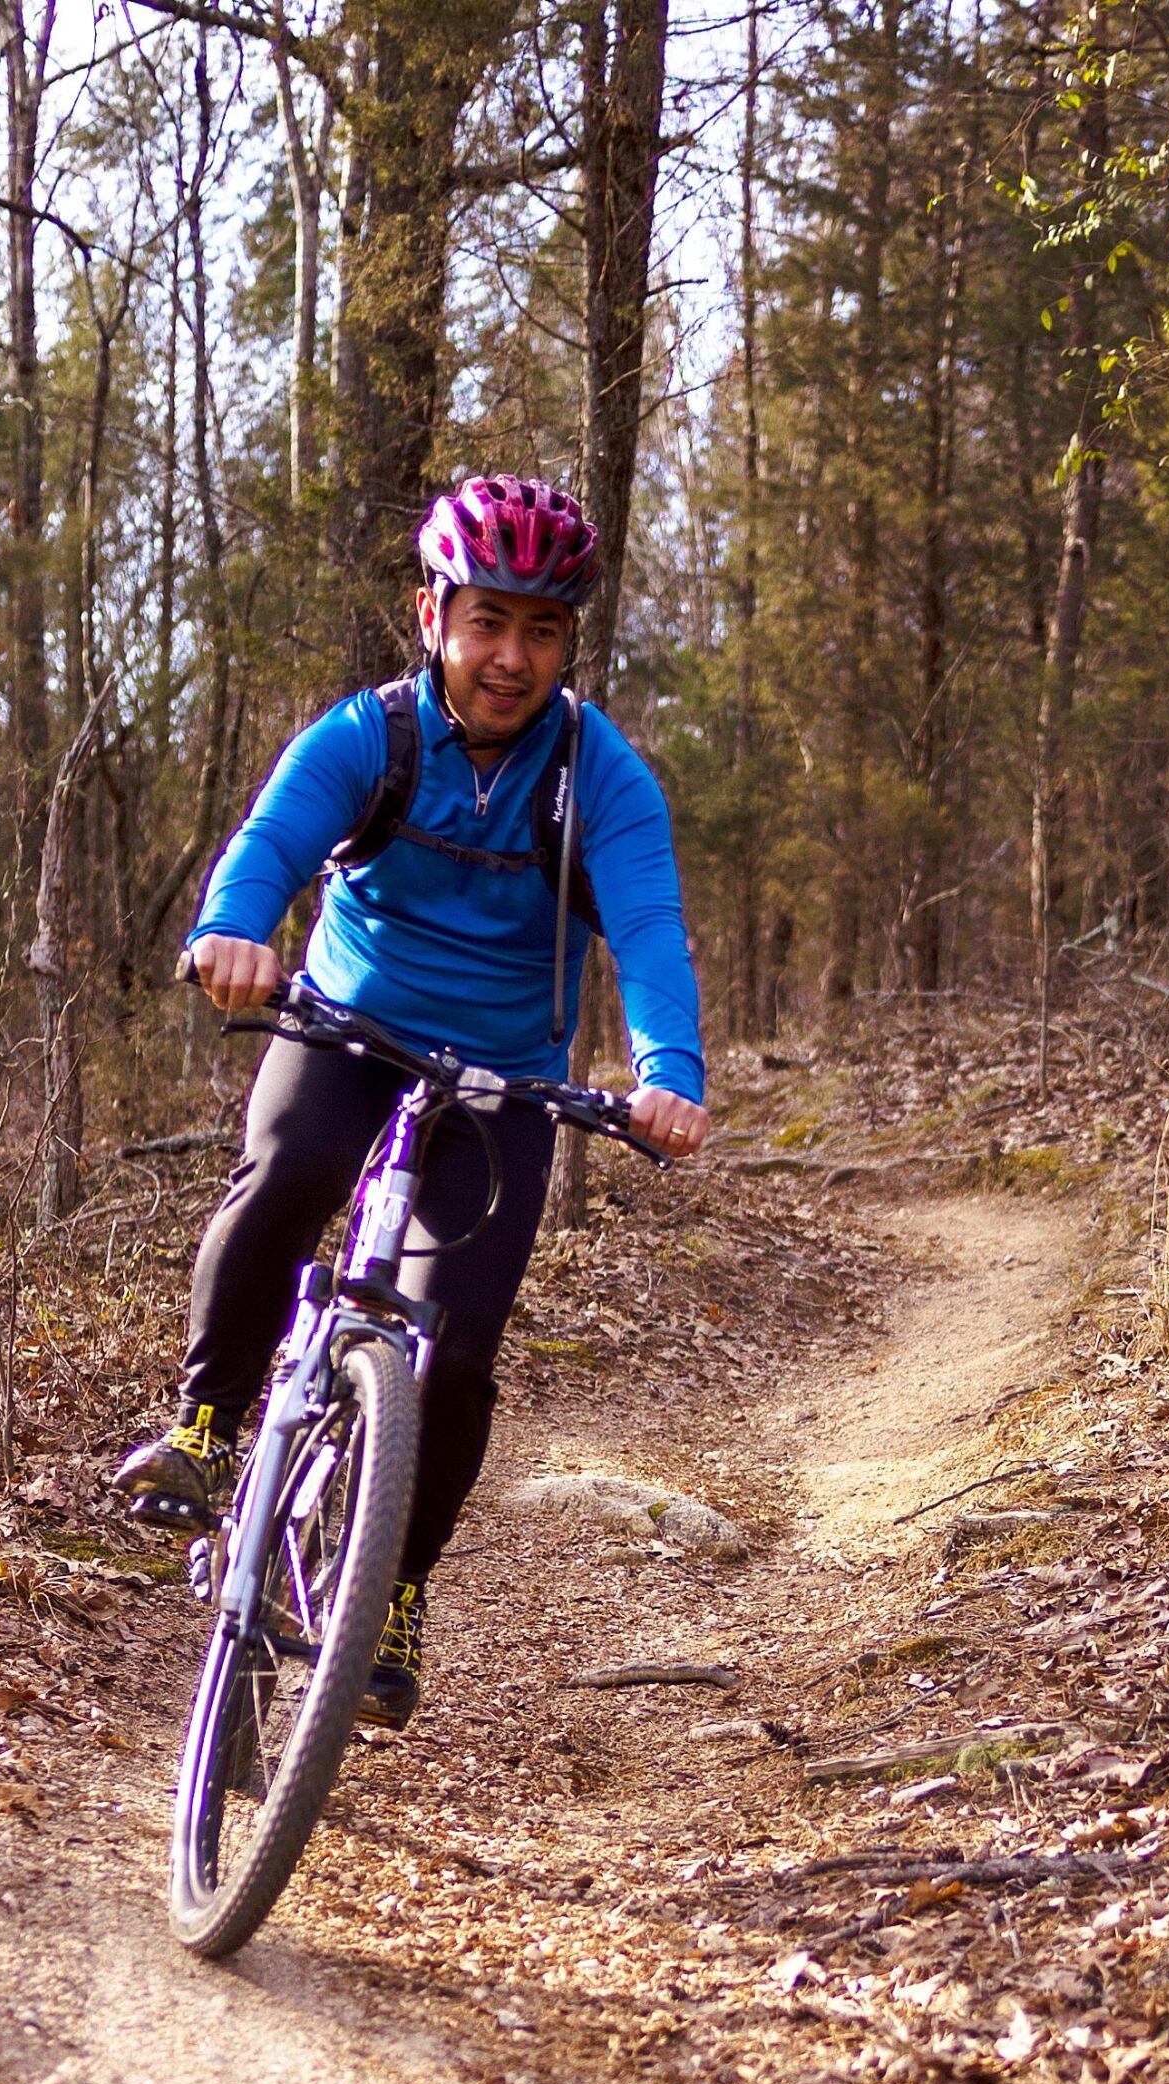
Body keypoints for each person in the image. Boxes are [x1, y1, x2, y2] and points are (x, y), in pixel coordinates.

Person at [115, 475, 710, 1725]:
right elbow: (272, 848)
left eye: (541, 631)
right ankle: (211, 1419)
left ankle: (392, 1585)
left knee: (455, 1351)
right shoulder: (367, 738)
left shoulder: (598, 777)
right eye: (486, 620)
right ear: (431, 611)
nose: (509, 657)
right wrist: (233, 930)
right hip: (347, 1030)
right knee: (284, 1180)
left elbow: (648, 931)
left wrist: (668, 1073)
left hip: (503, 1079)